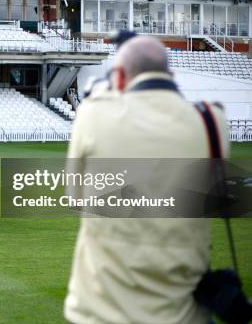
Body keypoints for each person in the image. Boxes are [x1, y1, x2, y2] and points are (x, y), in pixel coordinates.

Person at [64, 35, 231, 324]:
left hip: (101, 312)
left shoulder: (93, 114)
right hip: (183, 313)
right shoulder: (211, 122)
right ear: (171, 75)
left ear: (119, 76)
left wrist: (106, 90)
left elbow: (75, 198)